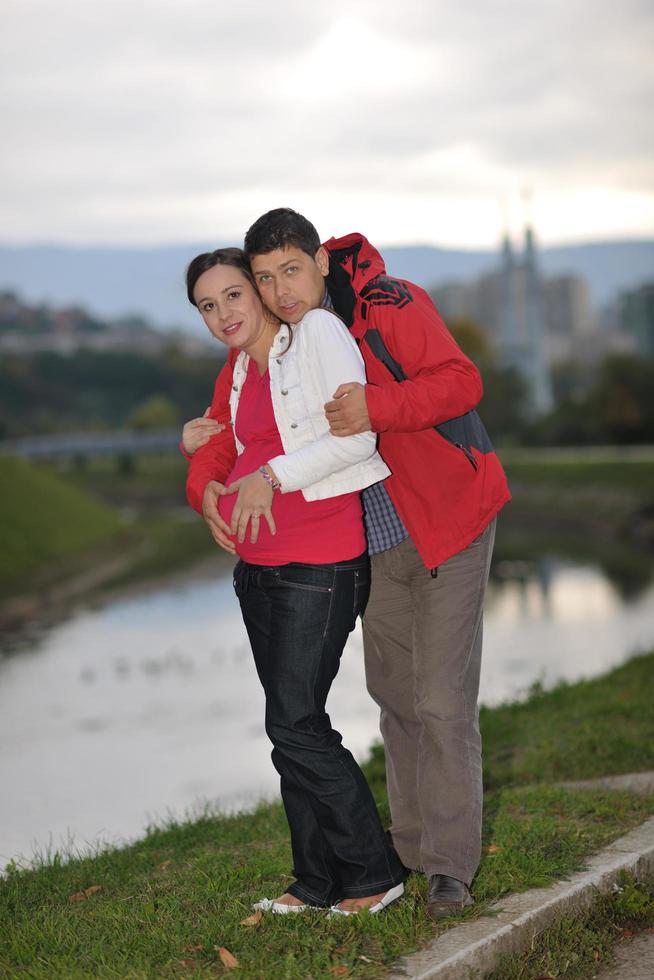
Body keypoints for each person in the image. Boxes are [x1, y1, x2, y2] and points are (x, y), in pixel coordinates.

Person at [185, 211, 511, 918]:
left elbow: (462, 380)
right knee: (394, 697)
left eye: (290, 271)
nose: (280, 290)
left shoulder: (387, 303)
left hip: (447, 515)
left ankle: (450, 867)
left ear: (321, 262)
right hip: (374, 534)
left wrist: (377, 405)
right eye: (264, 279)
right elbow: (224, 430)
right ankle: (411, 848)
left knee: (441, 700)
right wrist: (202, 479)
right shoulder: (274, 341)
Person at [184, 246, 405, 915]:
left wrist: (264, 477)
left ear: (258, 291)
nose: (223, 313)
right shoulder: (241, 372)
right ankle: (315, 881)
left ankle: (373, 874)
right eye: (206, 305)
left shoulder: (309, 344)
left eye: (232, 295)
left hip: (321, 561)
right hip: (259, 568)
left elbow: (347, 439)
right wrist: (206, 489)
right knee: (290, 730)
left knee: (296, 724)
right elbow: (223, 445)